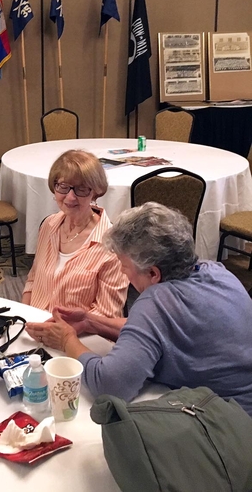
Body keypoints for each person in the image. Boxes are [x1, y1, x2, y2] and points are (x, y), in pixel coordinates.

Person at [25, 202, 252, 415]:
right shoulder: (217, 271)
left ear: (153, 273)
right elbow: (150, 331)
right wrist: (91, 321)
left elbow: (111, 385)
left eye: (124, 266)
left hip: (229, 424)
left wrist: (67, 340)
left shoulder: (156, 301)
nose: (123, 273)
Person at [22, 149, 128, 317]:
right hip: (35, 328)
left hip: (78, 337)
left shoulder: (112, 246)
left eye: (81, 189)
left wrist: (61, 334)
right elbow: (33, 280)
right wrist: (24, 317)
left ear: (95, 191)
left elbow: (107, 314)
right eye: (63, 187)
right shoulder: (49, 225)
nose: (70, 197)